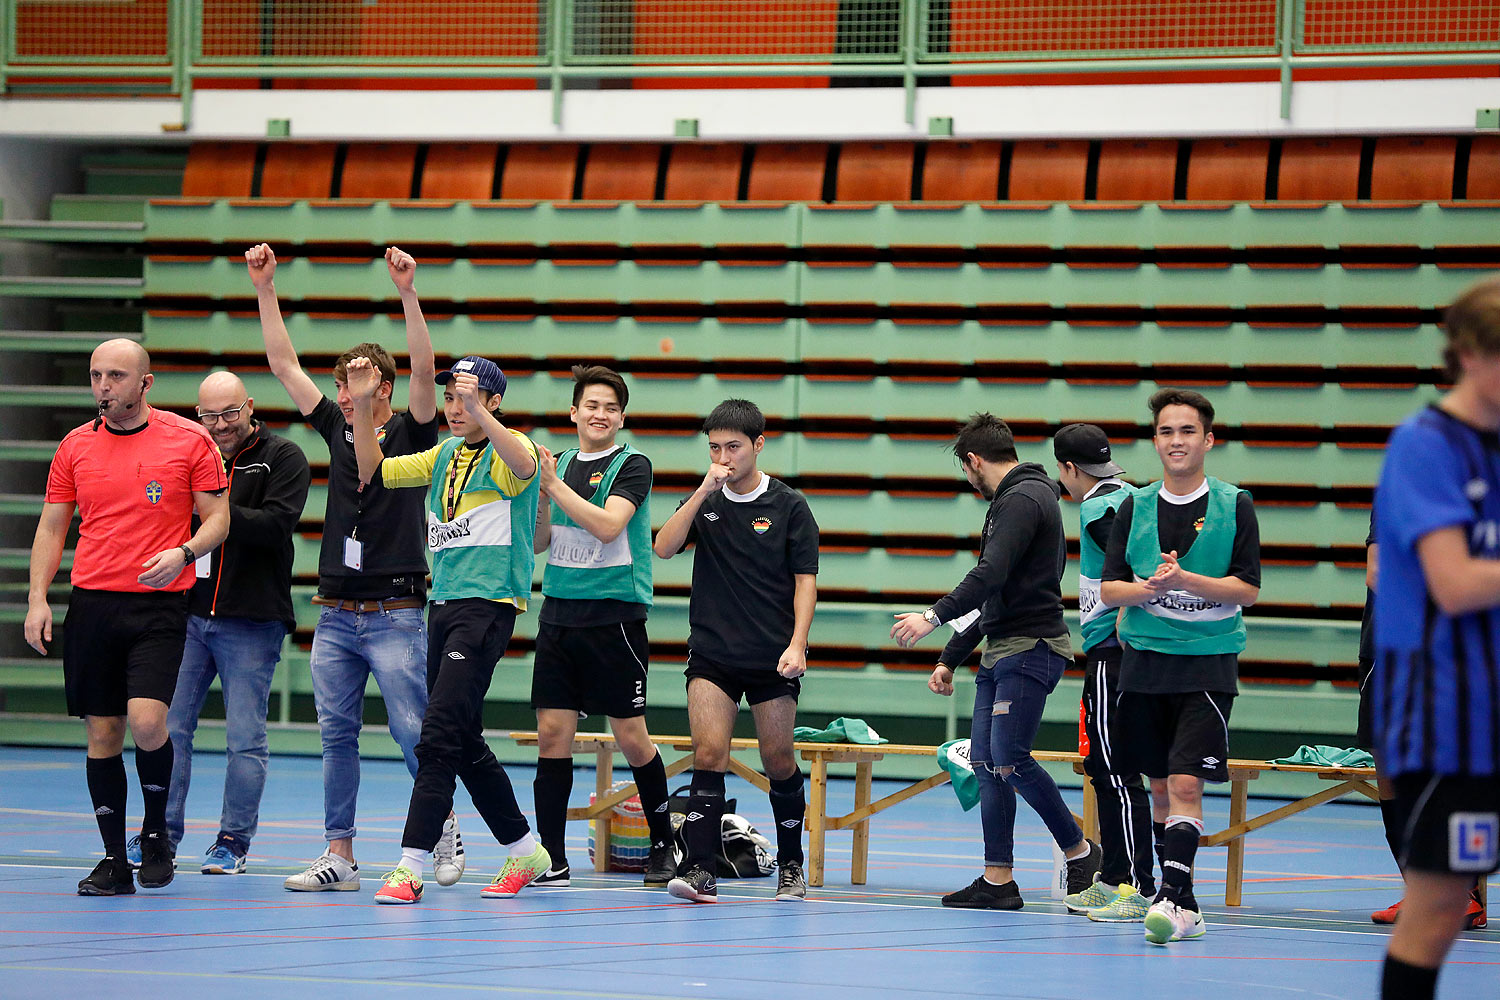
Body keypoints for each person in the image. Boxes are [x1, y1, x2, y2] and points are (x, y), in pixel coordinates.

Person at [248, 243, 464, 892]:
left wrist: (408, 294)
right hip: (336, 612)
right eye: (342, 385)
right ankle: (339, 855)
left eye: (359, 386)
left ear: (386, 390)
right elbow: (283, 363)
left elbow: (426, 372)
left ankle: (441, 821)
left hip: (397, 611)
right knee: (335, 734)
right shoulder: (335, 427)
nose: (346, 396)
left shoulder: (415, 433)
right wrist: (265, 289)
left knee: (409, 731)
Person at [24, 338, 229, 896]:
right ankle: (115, 860)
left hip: (158, 603)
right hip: (92, 602)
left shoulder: (190, 441)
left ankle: (157, 833)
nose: (103, 387)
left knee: (146, 721)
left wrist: (185, 552)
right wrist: (38, 597)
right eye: (96, 376)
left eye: (116, 376)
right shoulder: (74, 447)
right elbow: (51, 526)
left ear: (146, 382)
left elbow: (218, 519)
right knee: (104, 731)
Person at [347, 355, 549, 904]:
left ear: (493, 402)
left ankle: (410, 865)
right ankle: (525, 847)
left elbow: (525, 465)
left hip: (488, 608)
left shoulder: (516, 450)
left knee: (436, 735)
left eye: (468, 396)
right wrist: (364, 406)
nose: (455, 407)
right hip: (444, 607)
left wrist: (483, 413)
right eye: (452, 398)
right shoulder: (443, 456)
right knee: (461, 739)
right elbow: (373, 471)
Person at [891, 413, 1101, 910]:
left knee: (1008, 758)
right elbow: (994, 592)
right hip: (1003, 648)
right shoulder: (1019, 499)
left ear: (974, 461)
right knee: (987, 764)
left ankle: (1080, 850)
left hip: (1030, 650)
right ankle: (999, 879)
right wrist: (950, 657)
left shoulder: (1023, 499)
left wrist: (932, 616)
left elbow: (989, 574)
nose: (970, 480)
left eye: (966, 471)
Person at [1372, 274, 1500, 1000]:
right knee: (1440, 908)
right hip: (1450, 719)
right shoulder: (1426, 444)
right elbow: (1452, 581)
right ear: (1473, 355)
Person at [126, 372, 309, 876]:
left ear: (249, 407)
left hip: (252, 621)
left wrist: (213, 511)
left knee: (244, 738)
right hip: (185, 615)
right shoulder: (186, 451)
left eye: (231, 413)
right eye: (209, 415)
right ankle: (160, 833)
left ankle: (233, 840)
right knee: (166, 728)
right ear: (196, 414)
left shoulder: (284, 457)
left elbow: (276, 526)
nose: (221, 425)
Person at [1099, 387, 1261, 946]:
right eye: (1166, 431)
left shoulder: (1235, 504)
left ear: (1208, 440)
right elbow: (1108, 586)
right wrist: (1145, 589)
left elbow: (1248, 588)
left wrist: (1187, 580)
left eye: (1187, 431)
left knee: (1188, 780)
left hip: (1207, 666)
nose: (1176, 441)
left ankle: (1175, 896)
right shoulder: (1133, 506)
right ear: (1155, 441)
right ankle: (1180, 899)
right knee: (1162, 789)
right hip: (1144, 665)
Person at [652, 399, 818, 904]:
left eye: (734, 447)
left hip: (773, 657)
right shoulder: (707, 499)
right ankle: (701, 869)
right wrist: (704, 490)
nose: (724, 457)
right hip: (712, 654)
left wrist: (797, 644)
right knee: (709, 753)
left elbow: (805, 582)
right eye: (715, 447)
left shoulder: (789, 506)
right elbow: (662, 548)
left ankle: (791, 864)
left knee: (779, 758)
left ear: (758, 446)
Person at [529, 365, 675, 887]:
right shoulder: (560, 463)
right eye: (591, 405)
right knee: (552, 735)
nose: (600, 414)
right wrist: (543, 500)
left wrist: (552, 487)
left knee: (631, 736)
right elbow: (543, 541)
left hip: (614, 617)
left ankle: (663, 845)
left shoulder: (633, 464)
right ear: (574, 412)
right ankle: (552, 858)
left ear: (621, 417)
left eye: (611, 407)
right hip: (559, 616)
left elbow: (609, 524)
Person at [1053, 423, 1158, 921]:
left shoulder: (1099, 505)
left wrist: (1123, 616)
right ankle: (1115, 876)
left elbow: (1137, 565)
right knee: (1103, 768)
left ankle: (1136, 886)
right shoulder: (1134, 493)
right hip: (1121, 652)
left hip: (1112, 652)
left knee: (1116, 771)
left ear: (1070, 469)